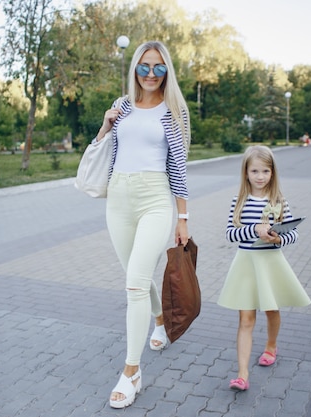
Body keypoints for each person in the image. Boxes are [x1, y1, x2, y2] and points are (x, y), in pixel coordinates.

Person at [94, 40, 191, 409]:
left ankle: (131, 372)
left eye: (159, 67)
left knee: (134, 283)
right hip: (118, 199)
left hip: (154, 199)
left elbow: (179, 169)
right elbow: (102, 148)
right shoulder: (122, 106)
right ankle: (160, 319)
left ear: (167, 72)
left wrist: (183, 218)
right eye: (144, 67)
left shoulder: (172, 111)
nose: (151, 74)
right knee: (137, 276)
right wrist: (105, 125)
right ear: (135, 68)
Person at [217, 145, 311, 391]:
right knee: (245, 318)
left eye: (265, 171)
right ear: (246, 173)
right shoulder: (238, 202)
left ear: (272, 173)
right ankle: (242, 374)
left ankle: (271, 345)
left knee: (271, 310)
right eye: (254, 171)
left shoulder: (279, 202)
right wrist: (254, 230)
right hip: (246, 264)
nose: (260, 176)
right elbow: (229, 234)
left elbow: (293, 234)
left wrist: (279, 238)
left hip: (270, 264)